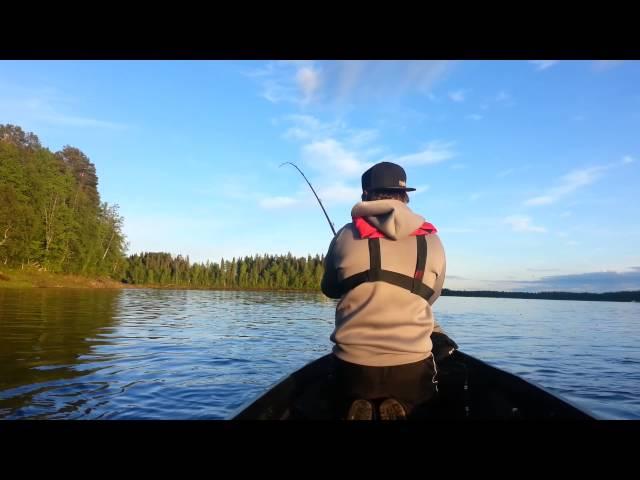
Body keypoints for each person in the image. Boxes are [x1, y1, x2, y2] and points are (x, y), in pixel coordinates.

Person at [321, 161, 447, 420]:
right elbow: (431, 297)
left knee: (336, 392)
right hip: (411, 368)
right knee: (429, 393)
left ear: (365, 194)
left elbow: (330, 289)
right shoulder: (432, 240)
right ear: (405, 196)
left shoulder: (344, 235)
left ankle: (358, 403)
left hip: (352, 367)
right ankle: (403, 405)